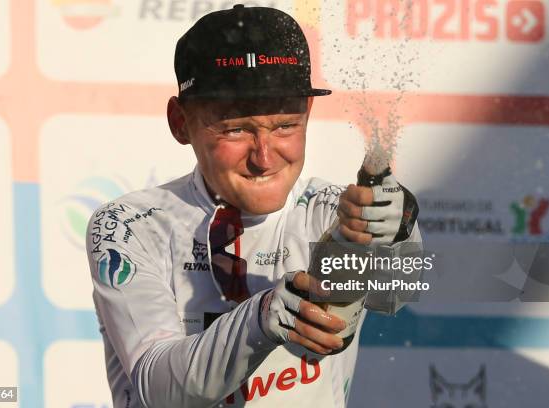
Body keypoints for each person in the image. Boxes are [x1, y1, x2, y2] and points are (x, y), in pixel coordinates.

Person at [86, 4, 421, 407]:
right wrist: (262, 317)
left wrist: (399, 227)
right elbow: (160, 390)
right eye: (236, 128)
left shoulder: (331, 213)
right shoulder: (130, 226)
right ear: (180, 122)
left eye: (285, 125)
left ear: (308, 114)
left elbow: (395, 294)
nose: (264, 157)